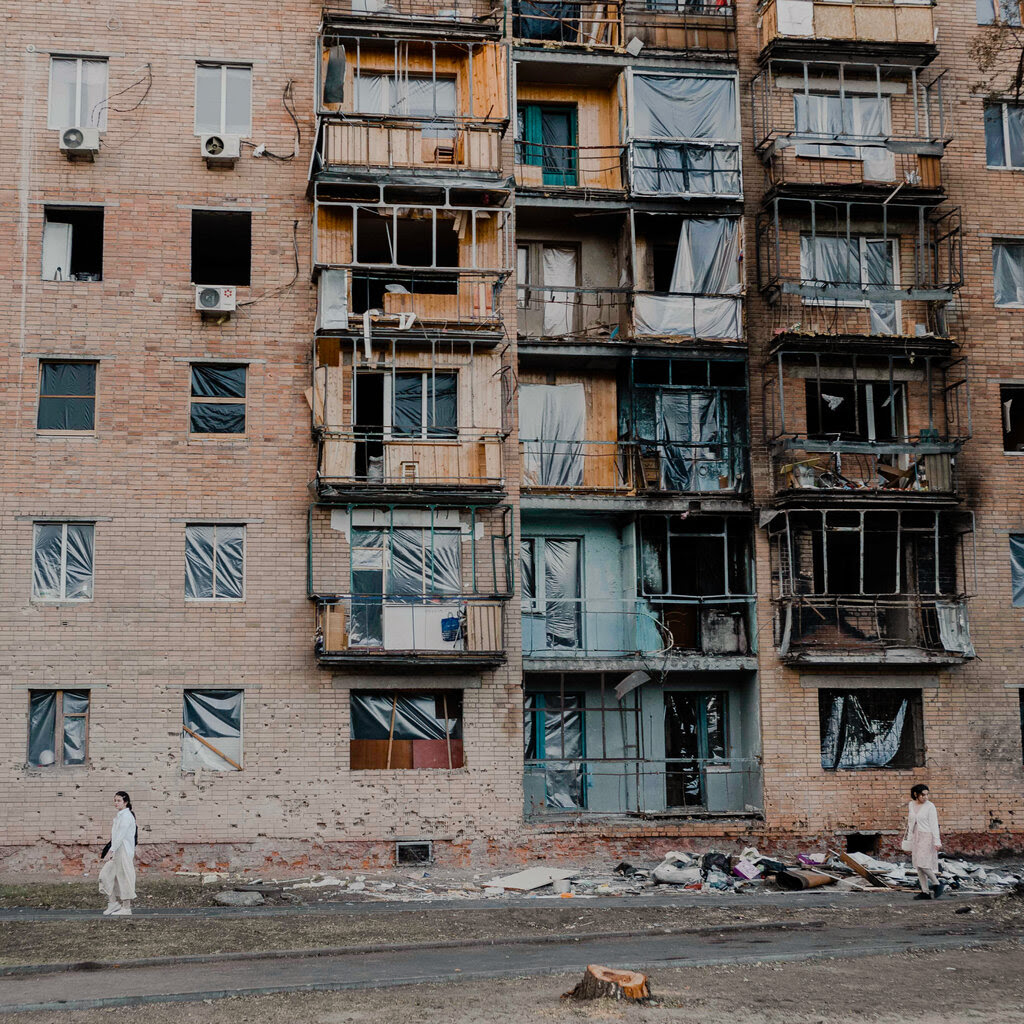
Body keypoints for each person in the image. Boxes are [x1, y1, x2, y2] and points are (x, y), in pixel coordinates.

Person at [98, 791, 137, 916]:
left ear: (125, 802)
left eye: (119, 800)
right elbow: (116, 836)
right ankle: (113, 903)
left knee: (124, 877)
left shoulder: (126, 816)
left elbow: (120, 836)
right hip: (117, 849)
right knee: (106, 875)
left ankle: (126, 908)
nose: (116, 803)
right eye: (115, 800)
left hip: (123, 850)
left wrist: (111, 850)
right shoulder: (120, 816)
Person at [904, 783, 945, 900]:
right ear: (916, 794)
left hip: (927, 836)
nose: (925, 797)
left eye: (927, 794)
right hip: (916, 835)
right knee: (918, 865)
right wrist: (909, 837)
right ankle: (925, 891)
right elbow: (910, 823)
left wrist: (937, 841)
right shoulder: (911, 805)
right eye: (923, 795)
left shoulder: (930, 806)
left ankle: (937, 883)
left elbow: (934, 824)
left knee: (923, 863)